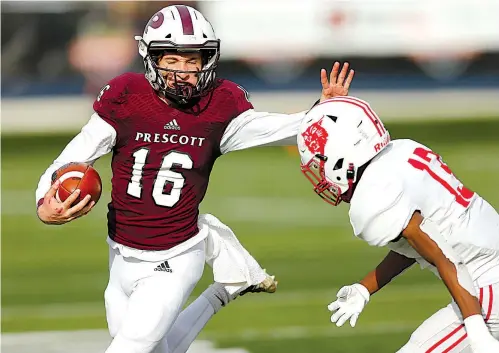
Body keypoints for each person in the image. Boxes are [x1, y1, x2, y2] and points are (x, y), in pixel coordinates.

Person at [35, 5, 354, 353]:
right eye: (172, 60)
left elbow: (276, 129)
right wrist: (44, 203)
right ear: (149, 57)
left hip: (176, 254)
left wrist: (321, 112)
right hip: (121, 255)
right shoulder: (126, 96)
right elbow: (70, 159)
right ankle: (226, 287)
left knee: (129, 348)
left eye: (193, 60)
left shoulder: (219, 105)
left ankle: (213, 251)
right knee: (160, 350)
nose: (183, 72)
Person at [297, 96, 499, 353]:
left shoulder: (374, 194)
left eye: (320, 163)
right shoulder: (401, 150)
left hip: (485, 288)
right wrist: (365, 288)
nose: (319, 173)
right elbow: (419, 242)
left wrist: (477, 331)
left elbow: (442, 255)